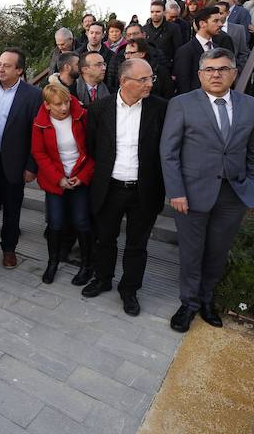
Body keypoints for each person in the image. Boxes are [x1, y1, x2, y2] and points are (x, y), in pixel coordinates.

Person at [161, 48, 254, 333]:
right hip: (191, 195)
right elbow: (168, 153)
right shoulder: (181, 104)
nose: (216, 74)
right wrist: (176, 192)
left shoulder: (250, 105)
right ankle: (189, 303)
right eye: (210, 69)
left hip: (232, 195)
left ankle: (207, 300)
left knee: (217, 252)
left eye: (222, 69)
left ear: (234, 73)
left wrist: (252, 184)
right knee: (192, 253)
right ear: (200, 74)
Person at [82, 59, 168, 316]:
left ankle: (129, 289)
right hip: (109, 187)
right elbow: (92, 147)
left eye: (150, 78)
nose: (149, 83)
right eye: (143, 80)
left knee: (137, 244)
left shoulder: (161, 108)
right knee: (105, 238)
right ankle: (103, 278)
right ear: (123, 81)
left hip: (144, 190)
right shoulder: (100, 109)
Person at [0, 48, 40, 268]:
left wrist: (32, 166)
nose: (0, 68)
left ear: (20, 70)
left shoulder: (32, 95)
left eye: (6, 65)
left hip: (14, 162)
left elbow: (37, 133)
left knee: (12, 208)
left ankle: (8, 249)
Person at [31, 84, 94, 285]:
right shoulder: (40, 123)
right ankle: (53, 262)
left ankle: (87, 265)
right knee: (55, 222)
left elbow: (92, 151)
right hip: (55, 180)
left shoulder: (82, 116)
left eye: (67, 102)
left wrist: (82, 176)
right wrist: (58, 178)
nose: (64, 108)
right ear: (47, 105)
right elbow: (39, 154)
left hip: (79, 176)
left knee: (82, 221)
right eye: (58, 104)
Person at [173, 7, 236, 94]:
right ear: (202, 24)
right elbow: (183, 85)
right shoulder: (185, 51)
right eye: (215, 21)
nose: (220, 24)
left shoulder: (218, 48)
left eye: (220, 21)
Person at [143, 0, 181, 69]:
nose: (155, 14)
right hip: (149, 68)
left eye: (158, 12)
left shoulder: (174, 28)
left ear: (164, 12)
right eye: (152, 12)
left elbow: (178, 51)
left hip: (167, 68)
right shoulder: (144, 29)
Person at [215, 0, 251, 69]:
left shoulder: (239, 29)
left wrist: (239, 68)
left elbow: (243, 51)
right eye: (215, 13)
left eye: (221, 13)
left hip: (232, 68)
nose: (218, 16)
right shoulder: (208, 28)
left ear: (228, 13)